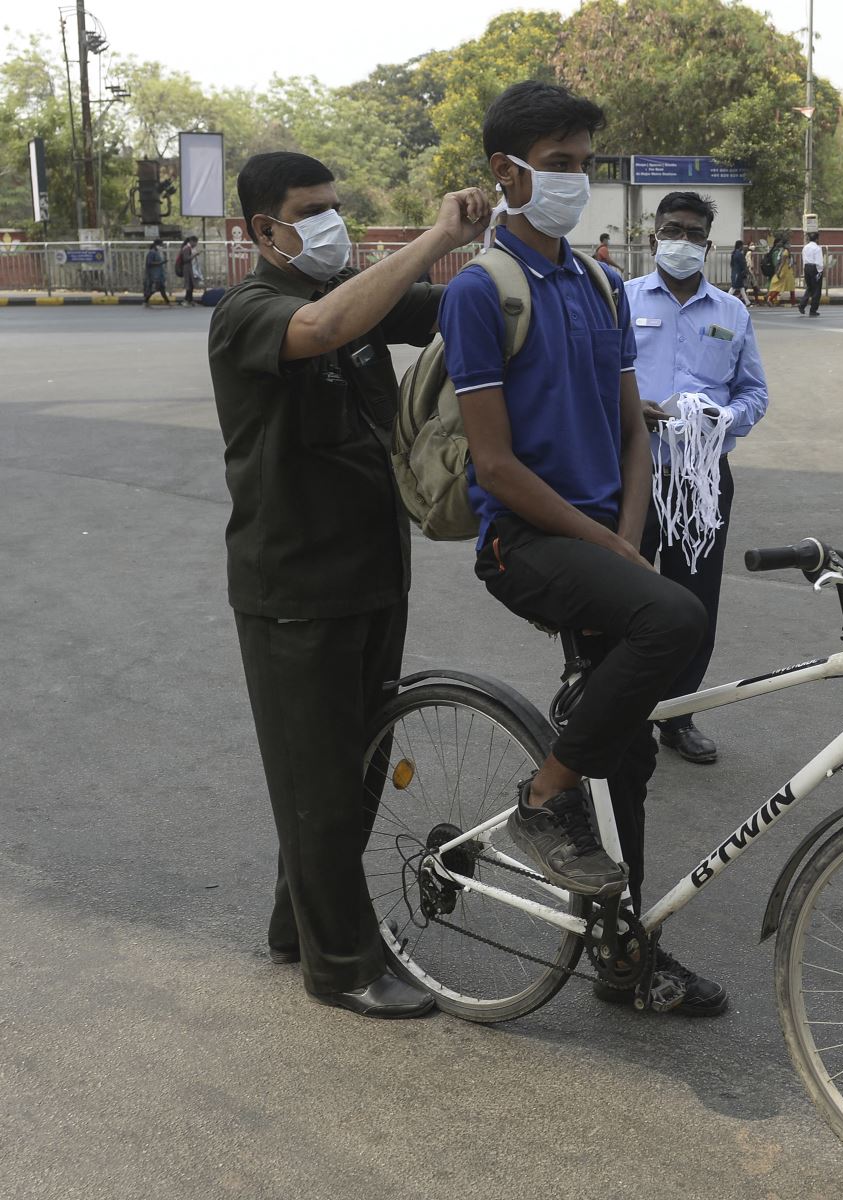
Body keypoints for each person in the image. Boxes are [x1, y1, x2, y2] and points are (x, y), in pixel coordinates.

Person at [443, 82, 720, 1016]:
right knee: (676, 621)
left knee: (631, 757)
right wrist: (610, 547)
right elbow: (496, 464)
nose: (576, 181)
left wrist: (629, 542)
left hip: (608, 539)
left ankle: (624, 958)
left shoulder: (602, 284)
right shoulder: (482, 292)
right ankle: (541, 797)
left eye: (584, 165)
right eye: (559, 165)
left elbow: (631, 429)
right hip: (526, 539)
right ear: (506, 172)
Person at [210, 150, 490, 1018]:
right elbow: (326, 329)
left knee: (354, 773)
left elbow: (450, 307)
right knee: (320, 783)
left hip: (372, 574)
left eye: (337, 206)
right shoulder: (249, 312)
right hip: (294, 586)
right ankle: (341, 964)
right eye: (311, 210)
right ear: (263, 230)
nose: (331, 222)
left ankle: (297, 921)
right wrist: (438, 233)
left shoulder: (358, 302)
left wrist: (510, 255)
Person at [626, 191, 769, 767]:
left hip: (702, 480)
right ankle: (618, 708)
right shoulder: (623, 298)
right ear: (653, 234)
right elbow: (591, 378)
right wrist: (628, 409)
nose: (680, 242)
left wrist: (725, 418)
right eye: (671, 230)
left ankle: (677, 715)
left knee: (695, 604)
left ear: (708, 244)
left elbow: (754, 392)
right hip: (633, 474)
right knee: (625, 595)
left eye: (692, 233)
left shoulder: (732, 313)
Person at [800, 231, 825, 316]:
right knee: (817, 290)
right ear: (817, 239)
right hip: (815, 268)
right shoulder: (817, 248)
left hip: (806, 267)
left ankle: (802, 305)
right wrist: (820, 271)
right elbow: (819, 262)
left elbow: (804, 259)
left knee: (809, 287)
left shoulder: (805, 247)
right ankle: (813, 310)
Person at [767, 234, 795, 306]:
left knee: (790, 286)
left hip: (787, 270)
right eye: (788, 243)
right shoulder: (785, 252)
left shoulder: (786, 251)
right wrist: (779, 272)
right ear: (785, 244)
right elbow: (782, 263)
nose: (789, 245)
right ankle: (770, 298)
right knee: (783, 287)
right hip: (785, 271)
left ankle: (793, 302)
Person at [143, 238, 171, 307]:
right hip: (154, 275)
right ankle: (146, 301)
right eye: (160, 245)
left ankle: (167, 302)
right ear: (156, 245)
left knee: (161, 289)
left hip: (158, 274)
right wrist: (160, 263)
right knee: (156, 289)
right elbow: (149, 263)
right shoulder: (152, 253)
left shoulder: (156, 252)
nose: (161, 246)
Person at [175, 235, 202, 306]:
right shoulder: (186, 248)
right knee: (189, 285)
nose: (196, 244)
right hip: (187, 269)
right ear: (192, 241)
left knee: (191, 285)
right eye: (195, 242)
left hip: (190, 269)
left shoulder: (189, 248)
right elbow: (186, 259)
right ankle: (186, 300)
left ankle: (190, 299)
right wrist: (195, 255)